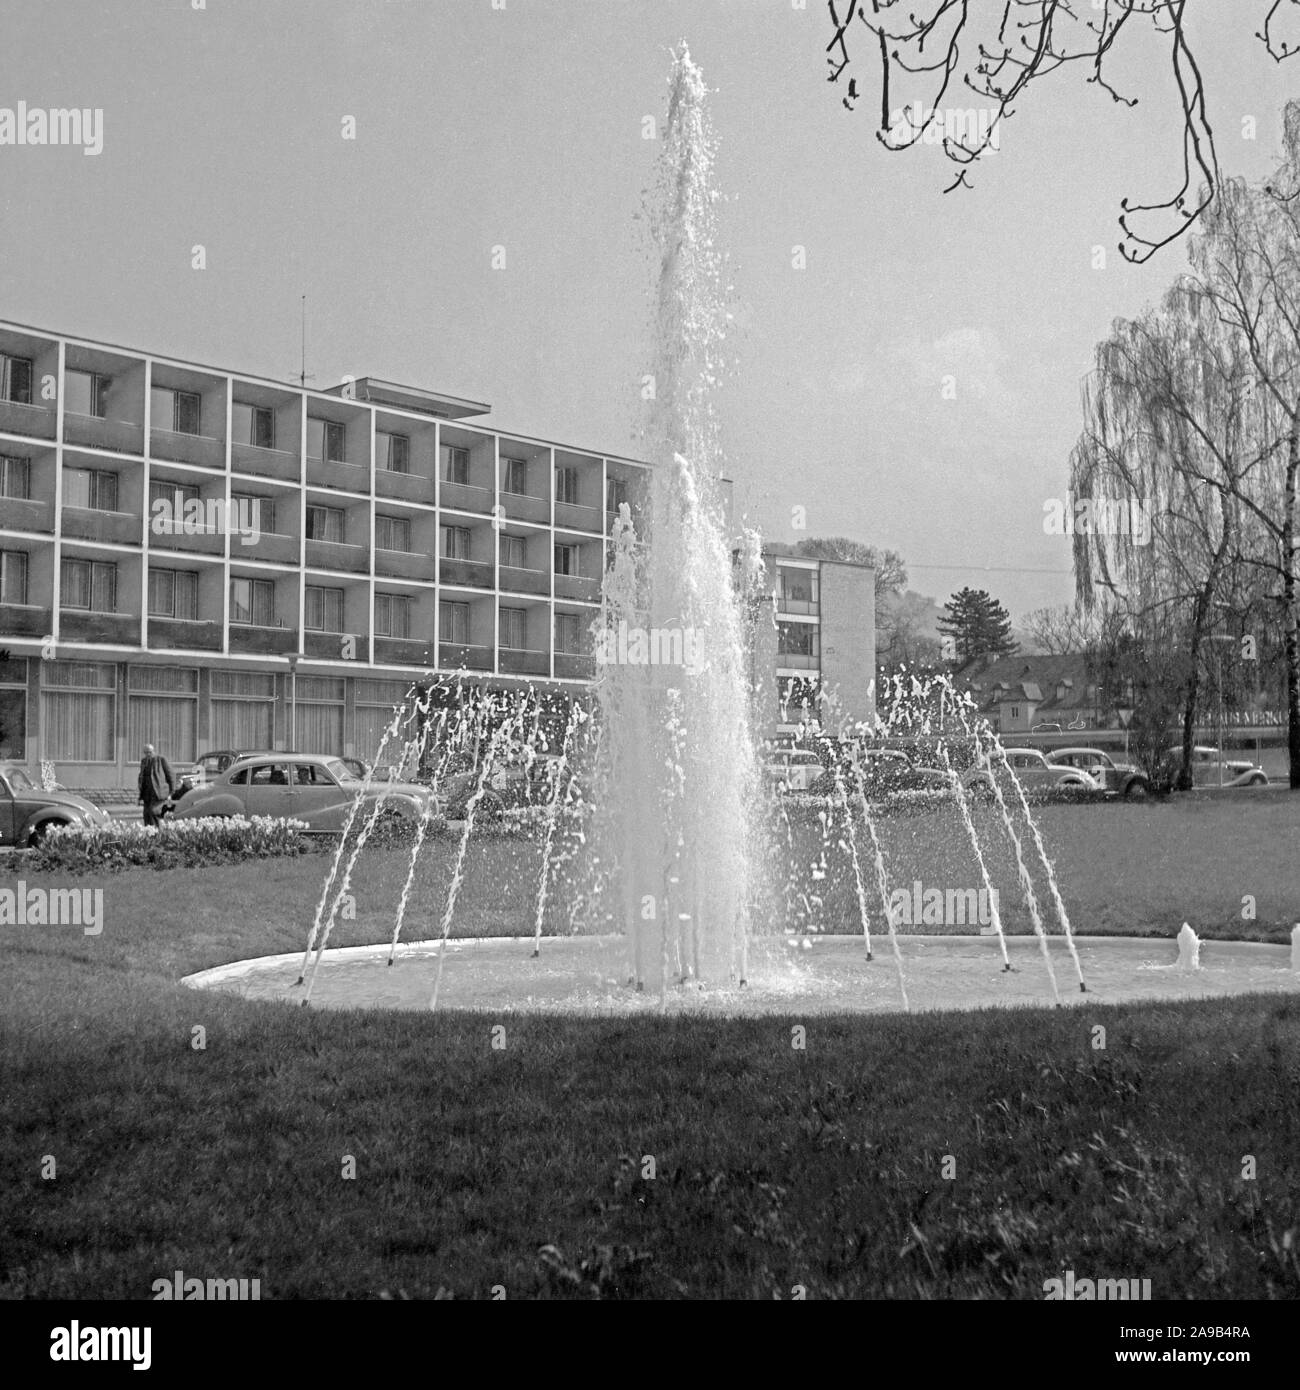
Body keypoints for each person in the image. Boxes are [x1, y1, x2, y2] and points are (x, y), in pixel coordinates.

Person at [138, 743, 177, 828]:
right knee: (146, 814)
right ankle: (148, 834)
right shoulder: (144, 761)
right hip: (146, 794)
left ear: (153, 751)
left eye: (150, 752)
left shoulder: (161, 760)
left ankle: (157, 833)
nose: (148, 754)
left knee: (154, 812)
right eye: (146, 752)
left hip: (158, 793)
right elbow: (142, 776)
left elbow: (171, 775)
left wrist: (171, 791)